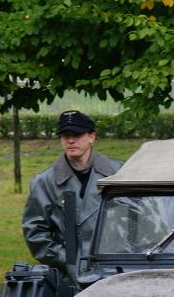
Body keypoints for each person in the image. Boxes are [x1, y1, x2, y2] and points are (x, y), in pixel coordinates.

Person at [22, 110, 122, 273]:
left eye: (77, 135)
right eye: (65, 135)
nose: (70, 140)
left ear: (91, 137)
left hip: (115, 268)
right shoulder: (45, 182)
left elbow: (139, 220)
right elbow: (35, 232)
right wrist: (68, 261)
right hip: (68, 276)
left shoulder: (119, 174)